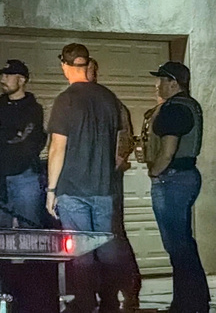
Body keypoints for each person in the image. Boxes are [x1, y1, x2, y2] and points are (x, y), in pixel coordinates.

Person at [46, 43, 124, 313]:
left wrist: (51, 190)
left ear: (65, 66)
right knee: (107, 248)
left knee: (80, 250)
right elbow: (117, 143)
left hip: (72, 188)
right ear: (87, 64)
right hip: (103, 186)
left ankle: (85, 301)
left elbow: (57, 148)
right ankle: (111, 301)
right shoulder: (108, 98)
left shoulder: (65, 99)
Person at [147, 61, 210, 313]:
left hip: (173, 179)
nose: (157, 84)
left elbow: (168, 149)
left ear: (173, 82)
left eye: (161, 79)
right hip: (185, 177)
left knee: (177, 246)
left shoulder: (174, 109)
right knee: (183, 244)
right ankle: (195, 300)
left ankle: (187, 303)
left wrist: (155, 170)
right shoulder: (189, 105)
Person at [87, 58, 141, 313]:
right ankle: (103, 293)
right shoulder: (76, 102)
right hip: (84, 183)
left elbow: (125, 140)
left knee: (113, 236)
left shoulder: (111, 103)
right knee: (92, 240)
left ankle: (129, 288)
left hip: (106, 181)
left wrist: (111, 167)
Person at [0, 59, 46, 228]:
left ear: (21, 80)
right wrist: (10, 132)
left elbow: (27, 141)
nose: (2, 80)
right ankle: (1, 256)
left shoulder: (33, 109)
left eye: (7, 76)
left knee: (29, 231)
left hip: (24, 178)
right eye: (2, 76)